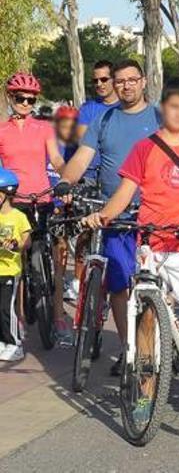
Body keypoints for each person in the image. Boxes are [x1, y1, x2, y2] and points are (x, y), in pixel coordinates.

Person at [82, 77, 179, 421]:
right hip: (152, 246)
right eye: (173, 106)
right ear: (163, 108)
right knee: (146, 320)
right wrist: (101, 215)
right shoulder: (144, 148)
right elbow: (125, 192)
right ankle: (145, 395)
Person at [56, 59, 162, 376]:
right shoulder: (103, 119)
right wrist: (65, 182)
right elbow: (81, 160)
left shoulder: (160, 117)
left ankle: (153, 349)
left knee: (152, 287)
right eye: (120, 81)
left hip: (154, 215)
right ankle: (130, 350)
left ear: (143, 81)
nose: (126, 85)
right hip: (113, 216)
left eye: (132, 79)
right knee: (118, 285)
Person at [0, 73, 69, 344]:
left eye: (31, 99)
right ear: (10, 98)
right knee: (15, 258)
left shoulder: (43, 128)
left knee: (50, 252)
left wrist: (66, 179)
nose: (26, 103)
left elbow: (56, 158)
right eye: (20, 98)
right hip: (13, 201)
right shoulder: (2, 130)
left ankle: (57, 314)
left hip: (42, 198)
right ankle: (15, 318)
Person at [0, 169, 32, 362]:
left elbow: (27, 241)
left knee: (6, 308)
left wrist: (15, 244)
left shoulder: (18, 216)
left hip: (11, 271)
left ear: (6, 194)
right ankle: (2, 341)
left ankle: (14, 344)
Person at [51, 106, 80, 306]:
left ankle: (69, 280)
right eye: (64, 124)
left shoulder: (77, 149)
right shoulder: (50, 145)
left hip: (66, 202)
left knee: (68, 242)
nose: (67, 129)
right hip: (46, 199)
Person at [77, 60, 121, 140]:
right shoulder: (87, 109)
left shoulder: (127, 106)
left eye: (104, 79)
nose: (99, 84)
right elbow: (82, 141)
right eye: (95, 81)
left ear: (114, 79)